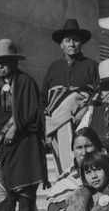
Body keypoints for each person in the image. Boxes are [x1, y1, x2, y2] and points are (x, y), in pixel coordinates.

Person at [0, 38, 47, 211]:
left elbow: (32, 112)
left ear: (14, 63)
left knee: (26, 190)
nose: (0, 66)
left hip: (25, 142)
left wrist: (16, 127)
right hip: (4, 147)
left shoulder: (26, 82)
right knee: (6, 190)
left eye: (5, 62)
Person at [41, 19, 100, 173]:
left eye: (76, 40)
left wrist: (85, 110)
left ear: (81, 44)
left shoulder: (91, 65)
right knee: (64, 168)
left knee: (86, 162)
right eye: (68, 40)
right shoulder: (54, 67)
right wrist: (46, 128)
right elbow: (44, 100)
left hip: (82, 123)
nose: (72, 44)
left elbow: (98, 93)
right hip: (57, 126)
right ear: (61, 45)